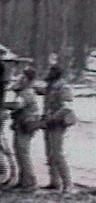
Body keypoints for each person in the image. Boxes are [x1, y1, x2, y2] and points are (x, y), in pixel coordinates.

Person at [39, 64, 75, 192]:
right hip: (49, 123)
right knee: (50, 154)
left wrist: (53, 117)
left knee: (57, 154)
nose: (48, 73)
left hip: (58, 123)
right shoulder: (51, 87)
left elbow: (67, 107)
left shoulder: (63, 87)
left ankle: (68, 184)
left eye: (50, 71)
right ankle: (55, 182)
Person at [7, 66, 40, 190]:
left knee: (23, 153)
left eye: (24, 77)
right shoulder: (25, 91)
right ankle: (24, 180)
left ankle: (30, 182)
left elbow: (18, 105)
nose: (21, 79)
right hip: (22, 124)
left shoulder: (27, 93)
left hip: (25, 125)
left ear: (29, 80)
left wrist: (5, 105)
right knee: (20, 152)